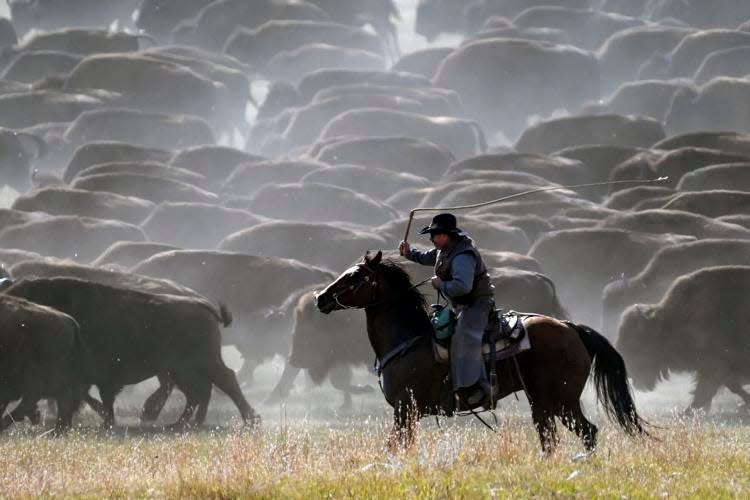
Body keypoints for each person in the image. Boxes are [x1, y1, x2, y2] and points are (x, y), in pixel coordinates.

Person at [399, 213, 495, 408]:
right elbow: (429, 258)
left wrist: (440, 284)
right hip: (462, 306)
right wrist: (409, 253)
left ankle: (479, 388)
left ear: (448, 235)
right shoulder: (445, 250)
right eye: (433, 235)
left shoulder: (462, 255)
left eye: (437, 235)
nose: (433, 239)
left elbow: (463, 286)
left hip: (476, 304)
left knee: (463, 337)